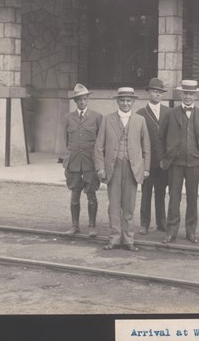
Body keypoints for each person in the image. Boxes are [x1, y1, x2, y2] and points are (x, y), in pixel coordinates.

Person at [94, 87, 151, 251]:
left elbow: (146, 146)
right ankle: (114, 238)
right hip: (113, 167)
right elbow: (99, 146)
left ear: (133, 102)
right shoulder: (107, 119)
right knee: (113, 205)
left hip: (133, 168)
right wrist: (100, 168)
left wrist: (146, 168)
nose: (125, 103)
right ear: (117, 101)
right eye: (122, 100)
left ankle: (129, 239)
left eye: (128, 100)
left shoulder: (140, 120)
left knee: (129, 205)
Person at [160, 80, 199, 244]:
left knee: (192, 197)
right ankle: (171, 232)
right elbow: (160, 138)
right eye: (185, 93)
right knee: (174, 198)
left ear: (195, 96)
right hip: (175, 163)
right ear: (181, 95)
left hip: (195, 163)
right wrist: (163, 158)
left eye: (191, 94)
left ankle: (191, 231)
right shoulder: (170, 114)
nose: (188, 96)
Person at [61, 84, 103, 237]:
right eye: (79, 100)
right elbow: (65, 141)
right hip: (73, 162)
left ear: (88, 99)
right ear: (75, 101)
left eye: (85, 99)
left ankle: (92, 226)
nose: (82, 102)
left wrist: (99, 163)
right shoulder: (68, 118)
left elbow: (100, 142)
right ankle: (75, 226)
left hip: (90, 162)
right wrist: (66, 158)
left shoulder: (96, 117)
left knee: (91, 195)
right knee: (74, 195)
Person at [136, 78, 170, 235]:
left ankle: (162, 223)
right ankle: (144, 224)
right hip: (147, 161)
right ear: (148, 92)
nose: (157, 94)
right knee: (146, 192)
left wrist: (167, 158)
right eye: (154, 91)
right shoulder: (140, 114)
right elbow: (137, 139)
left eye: (160, 92)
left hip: (163, 161)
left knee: (161, 193)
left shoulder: (168, 112)